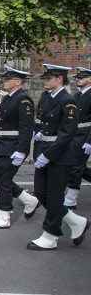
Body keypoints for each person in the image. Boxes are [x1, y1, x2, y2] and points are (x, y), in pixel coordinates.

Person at [28, 64, 90, 250]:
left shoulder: (68, 101)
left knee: (55, 197)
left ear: (60, 79)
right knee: (40, 193)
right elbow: (43, 122)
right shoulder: (48, 97)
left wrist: (48, 154)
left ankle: (51, 234)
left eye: (49, 78)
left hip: (59, 155)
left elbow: (67, 133)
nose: (45, 81)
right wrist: (38, 135)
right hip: (45, 150)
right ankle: (76, 221)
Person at [0, 66, 40, 229]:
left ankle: (4, 214)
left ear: (18, 82)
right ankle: (30, 200)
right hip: (3, 144)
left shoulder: (23, 100)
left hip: (13, 145)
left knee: (5, 180)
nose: (4, 81)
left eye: (8, 79)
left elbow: (26, 127)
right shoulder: (8, 98)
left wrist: (22, 150)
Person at [64, 67, 91, 210]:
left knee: (76, 167)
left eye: (82, 77)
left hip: (85, 135)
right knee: (76, 166)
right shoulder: (78, 96)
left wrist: (89, 141)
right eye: (77, 77)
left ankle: (71, 197)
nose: (78, 79)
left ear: (90, 79)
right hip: (75, 134)